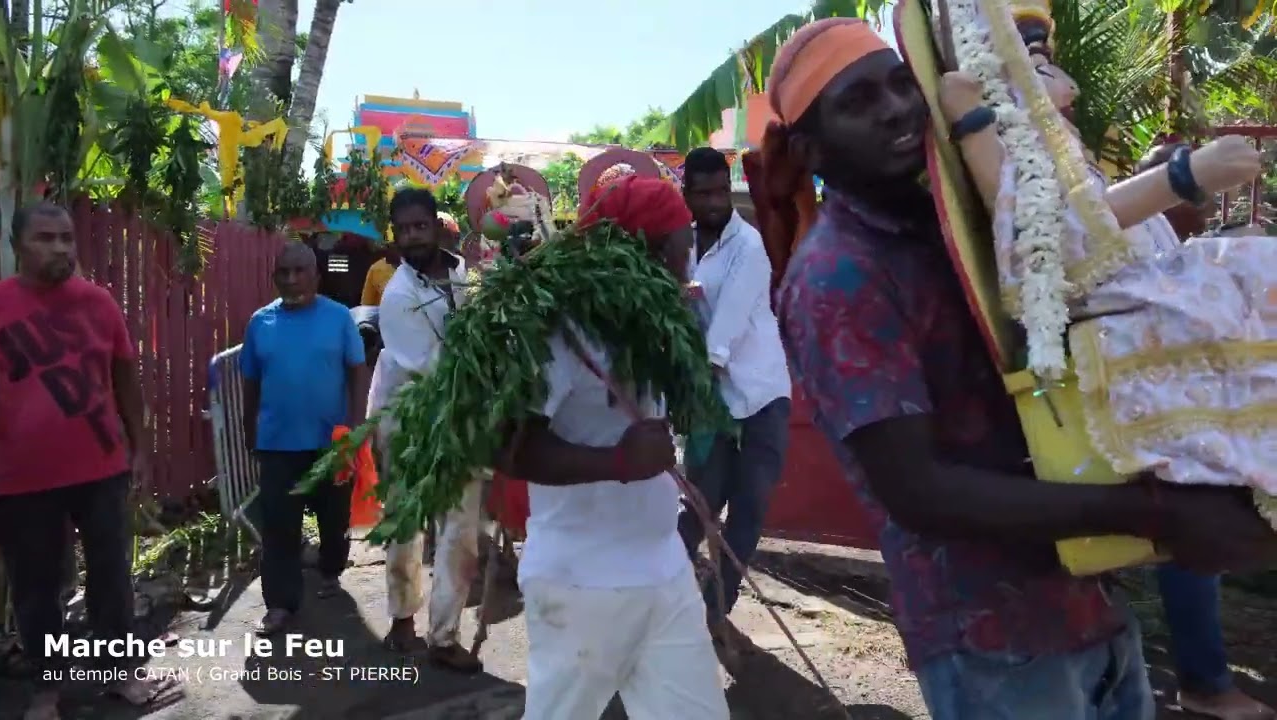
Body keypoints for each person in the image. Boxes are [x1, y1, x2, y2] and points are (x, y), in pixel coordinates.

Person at [758, 17, 1274, 719]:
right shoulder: (837, 279)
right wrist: (1160, 512)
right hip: (992, 638)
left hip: (1088, 595)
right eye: (858, 102)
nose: (896, 109)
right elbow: (919, 492)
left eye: (901, 84)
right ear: (810, 149)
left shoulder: (961, 220)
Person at [936, 0, 1275, 513]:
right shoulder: (999, 138)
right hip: (1119, 312)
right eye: (1044, 69)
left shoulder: (1063, 153)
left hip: (1150, 290)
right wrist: (1183, 177)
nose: (1070, 86)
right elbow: (1045, 245)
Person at [507, 175, 728, 720]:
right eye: (682, 249)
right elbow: (506, 445)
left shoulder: (647, 322)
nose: (690, 264)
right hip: (581, 582)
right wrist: (617, 463)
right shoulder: (561, 330)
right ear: (644, 253)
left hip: (662, 569)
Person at [0, 202, 173, 720]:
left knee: (111, 577)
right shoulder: (0, 306)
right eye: (46, 238)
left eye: (67, 238)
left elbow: (125, 381)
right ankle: (47, 690)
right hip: (19, 479)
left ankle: (119, 674)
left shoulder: (99, 304)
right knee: (36, 588)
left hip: (100, 471)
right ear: (16, 246)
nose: (60, 248)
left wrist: (140, 448)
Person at [1134, 145, 1275, 720]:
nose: (1203, 210)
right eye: (1197, 198)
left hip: (1184, 383)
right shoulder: (1126, 219)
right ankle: (1206, 681)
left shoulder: (1156, 229)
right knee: (1198, 499)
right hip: (1152, 398)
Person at [676, 146, 791, 651]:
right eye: (703, 194)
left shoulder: (750, 247)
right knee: (702, 503)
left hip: (760, 393)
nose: (715, 202)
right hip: (714, 398)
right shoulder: (681, 247)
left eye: (720, 191)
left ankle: (715, 608)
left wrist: (685, 389)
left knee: (748, 508)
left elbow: (724, 331)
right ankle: (663, 591)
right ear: (688, 196)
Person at [372, 188, 484, 673]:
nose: (412, 237)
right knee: (407, 521)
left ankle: (444, 635)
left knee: (461, 530)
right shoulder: (398, 295)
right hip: (410, 416)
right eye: (403, 230)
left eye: (420, 226)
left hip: (461, 414)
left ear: (437, 226)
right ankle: (401, 619)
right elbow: (436, 369)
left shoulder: (463, 273)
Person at [241, 241, 368, 636]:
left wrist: (356, 425)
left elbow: (357, 372)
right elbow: (250, 382)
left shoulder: (339, 318)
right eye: (284, 273)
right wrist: (250, 428)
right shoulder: (260, 323)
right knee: (279, 527)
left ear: (316, 276)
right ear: (274, 277)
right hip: (277, 443)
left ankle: (330, 569)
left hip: (331, 444)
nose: (292, 280)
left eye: (300, 272)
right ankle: (280, 603)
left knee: (334, 519)